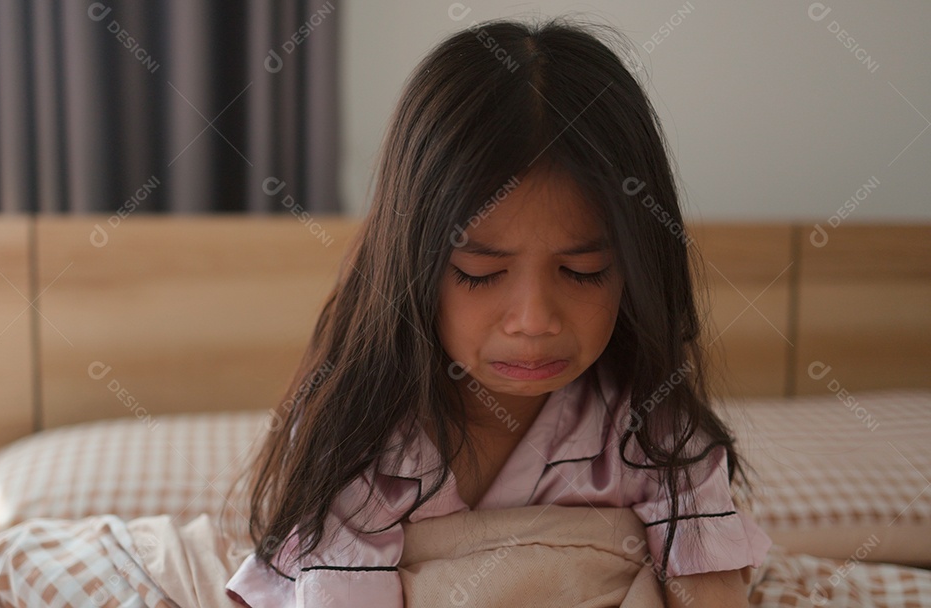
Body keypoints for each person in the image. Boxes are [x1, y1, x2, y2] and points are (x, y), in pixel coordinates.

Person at [224, 15, 771, 608]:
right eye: (480, 274)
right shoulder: (359, 438)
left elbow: (711, 584)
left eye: (583, 271)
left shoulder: (654, 425)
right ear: (414, 268)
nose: (534, 320)